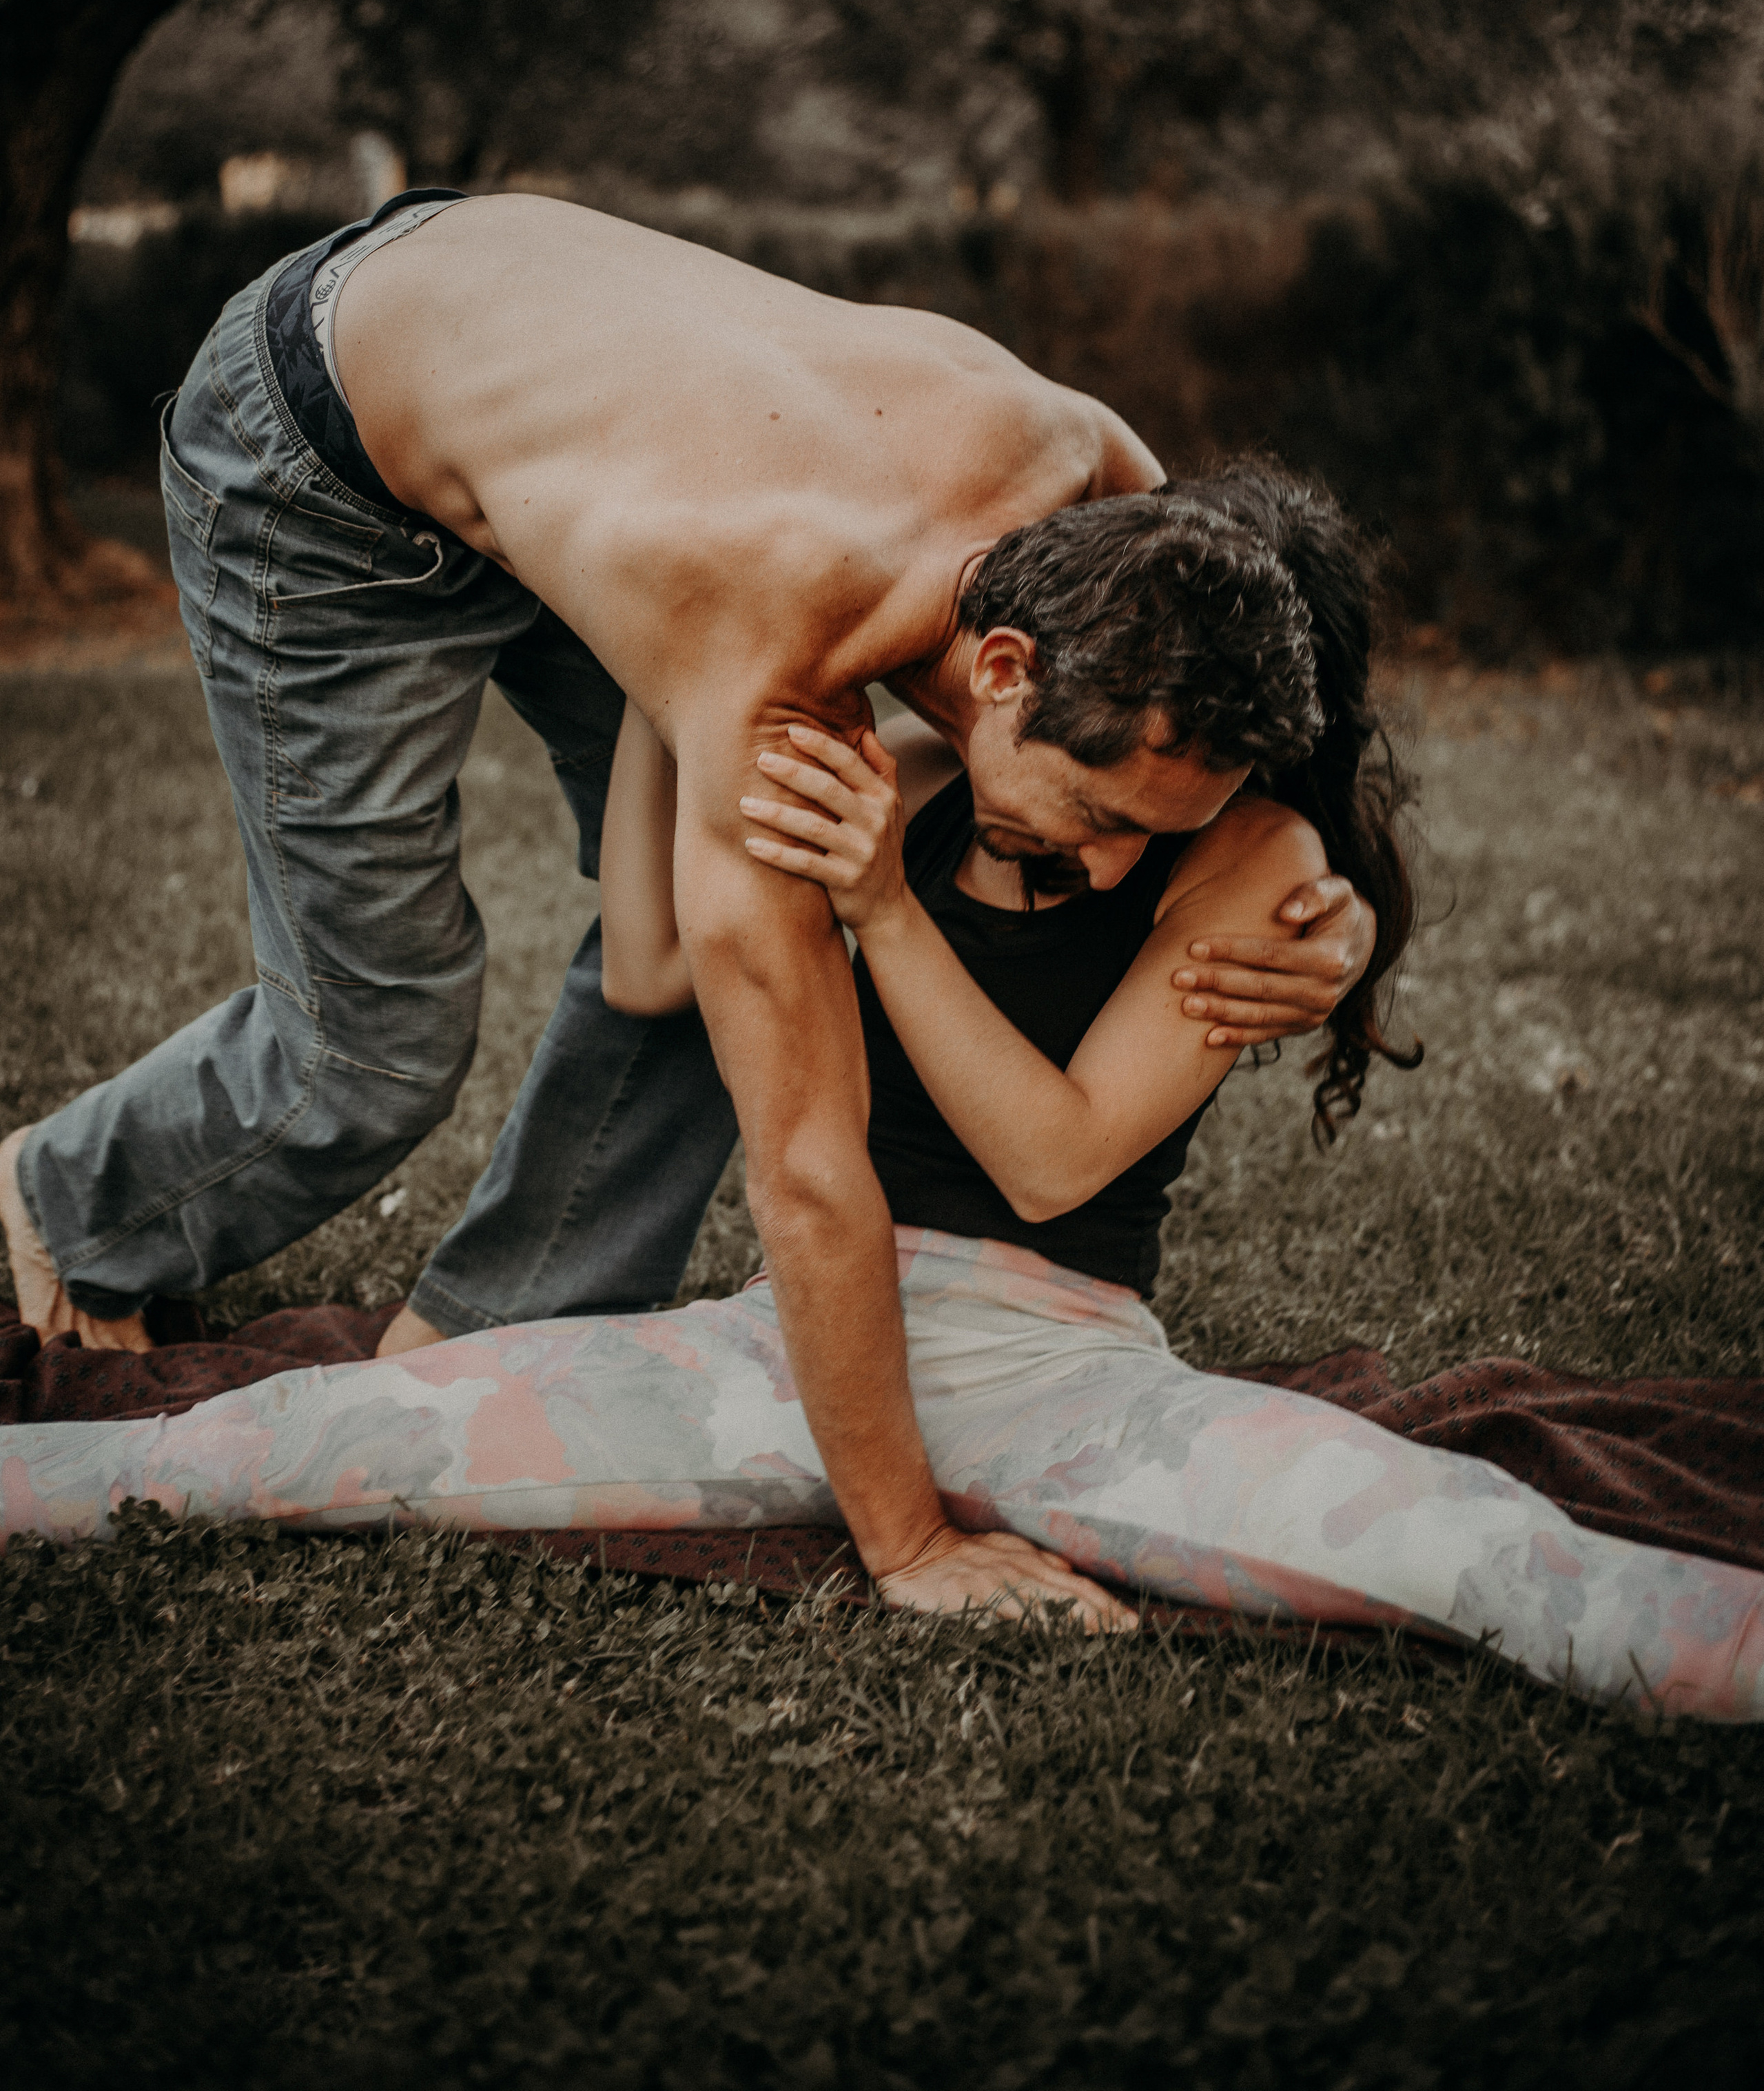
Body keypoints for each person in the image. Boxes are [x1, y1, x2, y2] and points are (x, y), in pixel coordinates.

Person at [6, 469, 1761, 1717]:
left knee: (1476, 1556)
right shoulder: (905, 772)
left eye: (1166, 812)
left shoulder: (1255, 865)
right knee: (283, 1446)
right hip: (794, 1344)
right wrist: (699, 692)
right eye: (1105, 803)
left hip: (1060, 1374)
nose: (1113, 851)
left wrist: (881, 911)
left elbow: (1053, 1154)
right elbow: (653, 968)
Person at [0, 192, 1377, 1623]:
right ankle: (69, 1204)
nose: (1117, 866)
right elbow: (805, 1170)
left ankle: (487, 1338)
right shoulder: (771, 661)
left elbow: (1254, 697)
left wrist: (1329, 921)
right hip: (322, 445)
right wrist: (909, 1545)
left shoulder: (1107, 495)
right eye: (1097, 818)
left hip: (564, 405)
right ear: (1005, 672)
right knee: (381, 1043)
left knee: (734, 937)